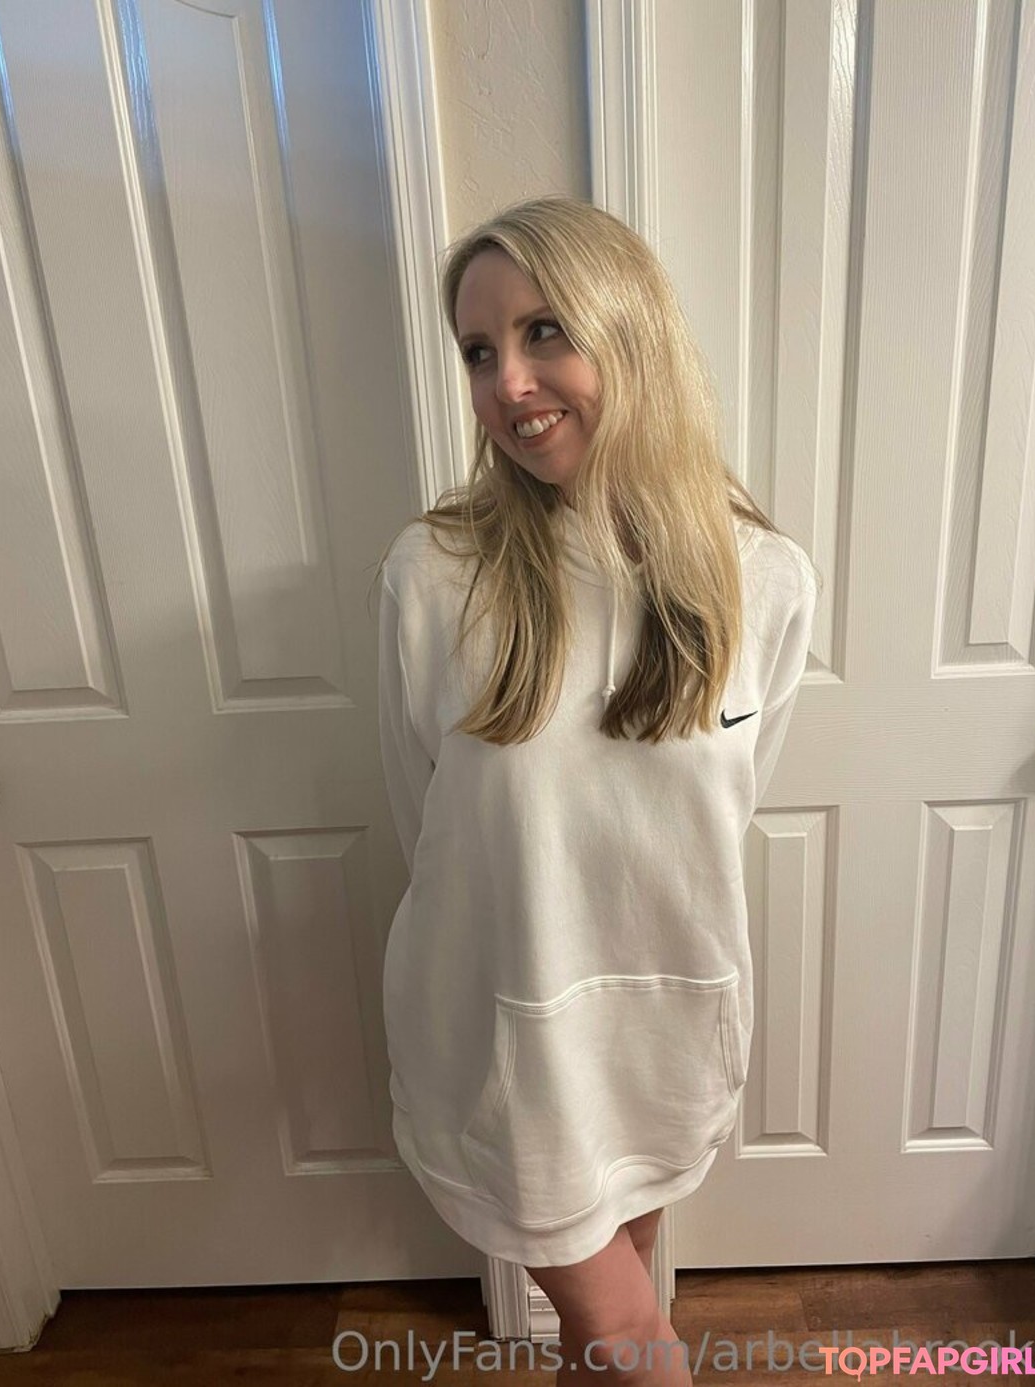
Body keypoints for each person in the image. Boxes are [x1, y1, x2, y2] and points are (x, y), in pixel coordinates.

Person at [371, 195, 820, 1384]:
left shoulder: (765, 580)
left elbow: (723, 813)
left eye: (543, 331)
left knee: (597, 1345)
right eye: (479, 350)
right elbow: (423, 818)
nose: (509, 383)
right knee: (641, 1350)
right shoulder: (436, 576)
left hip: (666, 1039)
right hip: (508, 1046)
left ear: (632, 332)